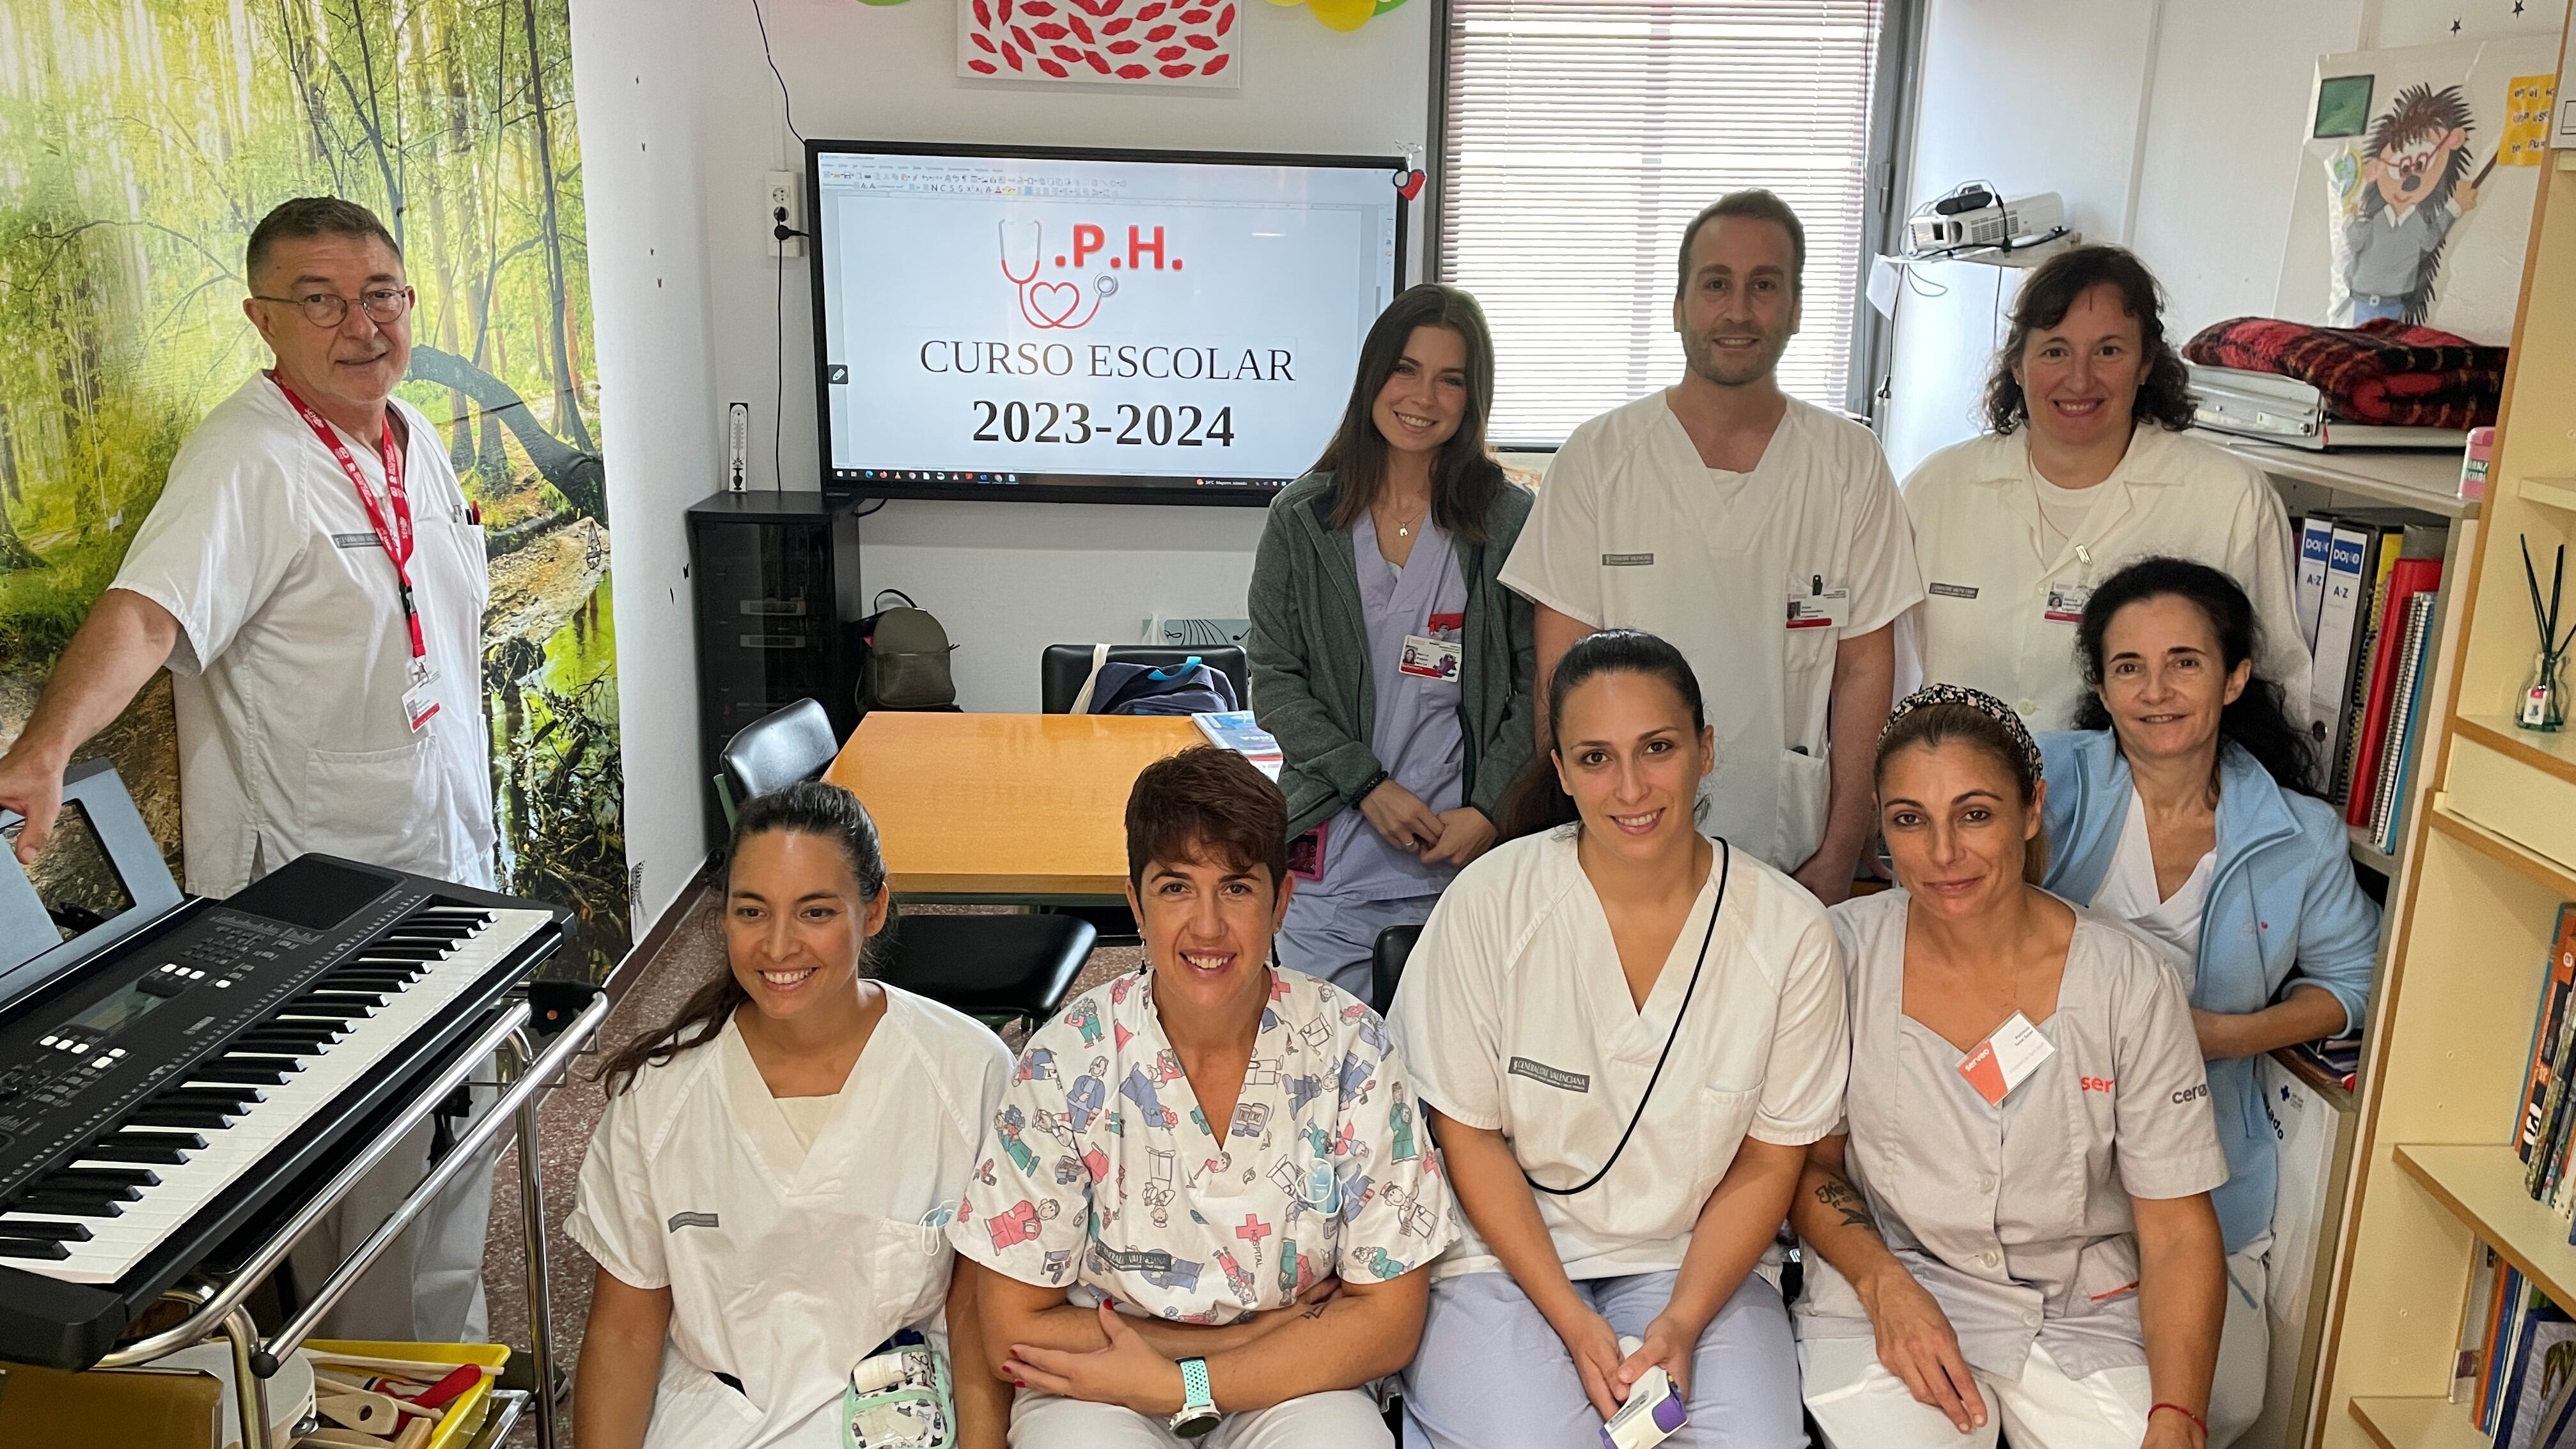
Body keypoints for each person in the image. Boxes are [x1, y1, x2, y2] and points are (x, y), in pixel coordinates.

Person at [0, 196, 500, 1342]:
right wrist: (43, 750)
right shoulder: (247, 456)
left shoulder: (415, 436)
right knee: (362, 1178)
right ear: (262, 318)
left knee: (461, 1126)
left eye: (380, 293)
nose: (359, 323)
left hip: (450, 857)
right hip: (320, 888)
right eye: (317, 300)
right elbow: (147, 615)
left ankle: (449, 1368)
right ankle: (362, 1389)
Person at [1390, 629, 1848, 1448]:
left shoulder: (1788, 933)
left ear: (1706, 750)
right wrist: (1569, 1318)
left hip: (1690, 1262)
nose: (1631, 786)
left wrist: (1680, 1322)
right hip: (1502, 1262)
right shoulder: (1491, 903)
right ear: (1560, 770)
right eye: (1596, 758)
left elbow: (1770, 1159)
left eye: (1659, 748)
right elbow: (1467, 1132)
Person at [949, 745, 1453, 1448]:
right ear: (1135, 902)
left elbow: (1388, 1319)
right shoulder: (1068, 1060)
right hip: (1103, 1390)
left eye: (1238, 887)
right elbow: (1013, 1323)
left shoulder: (1350, 1048)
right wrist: (1249, 1337)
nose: (1208, 926)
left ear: (1281, 900)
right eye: (1176, 887)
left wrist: (1180, 1383)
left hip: (1291, 1383)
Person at [1790, 683, 2228, 1449]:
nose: (1943, 852)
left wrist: (2178, 1415)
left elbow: (2178, 1230)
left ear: (2031, 809)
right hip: (1892, 1289)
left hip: (2078, 1308)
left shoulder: (2128, 980)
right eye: (1910, 821)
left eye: (1975, 813)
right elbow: (1808, 1167)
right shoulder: (1838, 953)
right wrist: (1883, 1284)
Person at [2037, 557, 2380, 1446]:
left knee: (2218, 1402)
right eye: (2127, 667)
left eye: (2184, 661)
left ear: (2232, 677)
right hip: (2043, 1148)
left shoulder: (2297, 833)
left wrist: (2229, 1035)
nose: (2155, 690)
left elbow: (2354, 982)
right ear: (2101, 686)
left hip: (2205, 1160)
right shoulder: (2045, 782)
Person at [1499, 189, 1920, 903]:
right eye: (1716, 283)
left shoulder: (1850, 463)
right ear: (1678, 305)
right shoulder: (1599, 459)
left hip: (1792, 851)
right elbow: (1558, 683)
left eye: (1765, 285)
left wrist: (1843, 847)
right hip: (1619, 847)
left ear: (1795, 308)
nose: (1739, 309)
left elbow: (1863, 671)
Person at [568, 781, 1014, 1449]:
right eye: (752, 911)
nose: (778, 946)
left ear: (873, 909)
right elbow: (624, 1330)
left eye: (814, 912)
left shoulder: (967, 1071)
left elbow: (978, 1310)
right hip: (721, 1422)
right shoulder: (658, 1098)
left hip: (906, 1418)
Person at [1245, 283, 1536, 998]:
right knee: (1324, 1072)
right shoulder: (1303, 518)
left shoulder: (1509, 521)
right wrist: (1368, 785)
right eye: (1406, 369)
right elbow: (1275, 679)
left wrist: (1491, 811)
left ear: (1474, 397)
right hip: (1337, 849)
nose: (1423, 396)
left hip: (1465, 863)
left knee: (1453, 1089)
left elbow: (1543, 687)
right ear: (1373, 376)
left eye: (1451, 379)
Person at [1903, 243, 2309, 730]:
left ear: (2145, 364)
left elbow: (2275, 689)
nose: (2079, 379)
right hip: (1956, 797)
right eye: (2054, 351)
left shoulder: (2228, 499)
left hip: (2141, 804)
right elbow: (1887, 670)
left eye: (2109, 351)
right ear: (2017, 364)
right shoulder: (1936, 489)